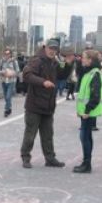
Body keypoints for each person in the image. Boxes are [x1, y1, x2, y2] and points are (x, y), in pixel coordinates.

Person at [19, 38, 65, 168]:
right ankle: (25, 157)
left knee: (48, 135)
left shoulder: (54, 62)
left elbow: (62, 76)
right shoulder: (37, 60)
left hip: (48, 106)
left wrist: (68, 64)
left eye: (55, 49)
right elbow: (26, 75)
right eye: (50, 48)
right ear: (45, 47)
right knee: (30, 134)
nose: (52, 51)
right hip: (34, 105)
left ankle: (50, 158)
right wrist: (43, 82)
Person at [73, 48, 102, 173]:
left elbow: (95, 96)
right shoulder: (89, 72)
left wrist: (87, 110)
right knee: (86, 136)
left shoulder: (94, 74)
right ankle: (86, 163)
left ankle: (87, 164)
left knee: (85, 137)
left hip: (88, 112)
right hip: (86, 111)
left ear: (90, 60)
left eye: (84, 57)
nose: (82, 59)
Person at [0, 48, 20, 117]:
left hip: (11, 81)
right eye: (5, 53)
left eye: (8, 53)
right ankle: (9, 108)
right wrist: (3, 72)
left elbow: (17, 71)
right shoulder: (2, 61)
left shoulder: (14, 62)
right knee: (6, 97)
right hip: (4, 81)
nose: (7, 55)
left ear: (10, 54)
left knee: (8, 96)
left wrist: (11, 73)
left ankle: (6, 110)